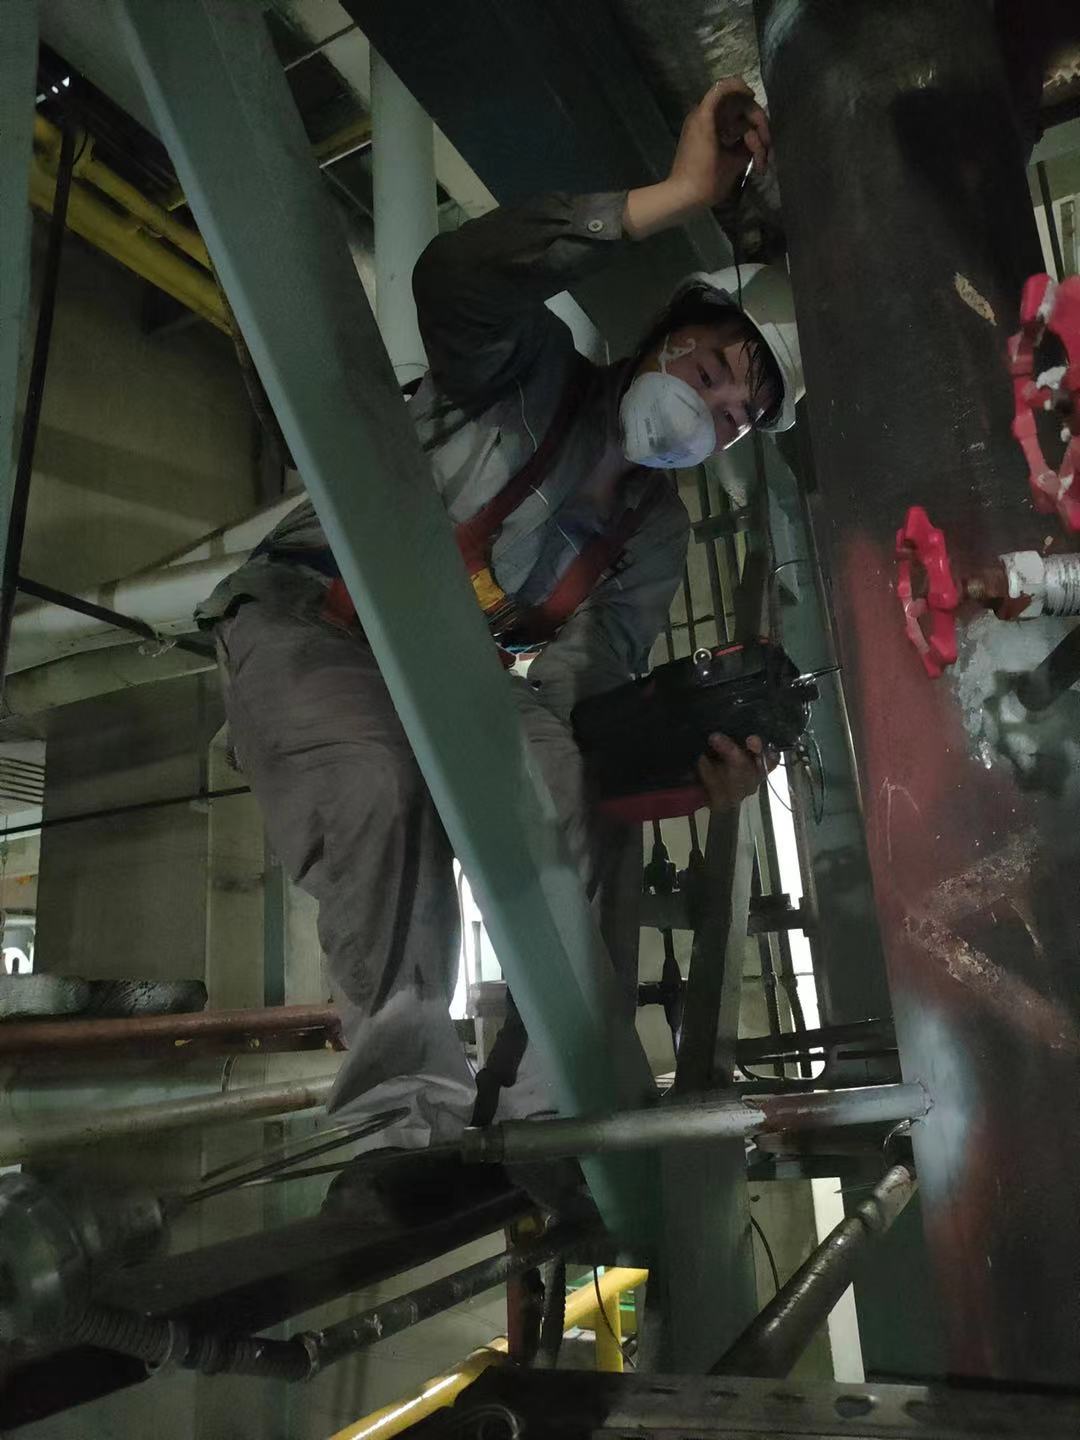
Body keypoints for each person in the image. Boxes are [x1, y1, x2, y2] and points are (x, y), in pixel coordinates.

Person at [198, 78, 803, 1152]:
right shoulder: (522, 373)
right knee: (378, 785)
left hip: (455, 670)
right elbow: (458, 278)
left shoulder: (652, 532)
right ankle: (398, 1119)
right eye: (709, 370)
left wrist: (678, 773)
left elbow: (582, 691)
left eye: (732, 417)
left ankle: (553, 1116)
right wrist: (671, 198)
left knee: (574, 791)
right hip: (314, 624)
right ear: (662, 338)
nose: (707, 412)